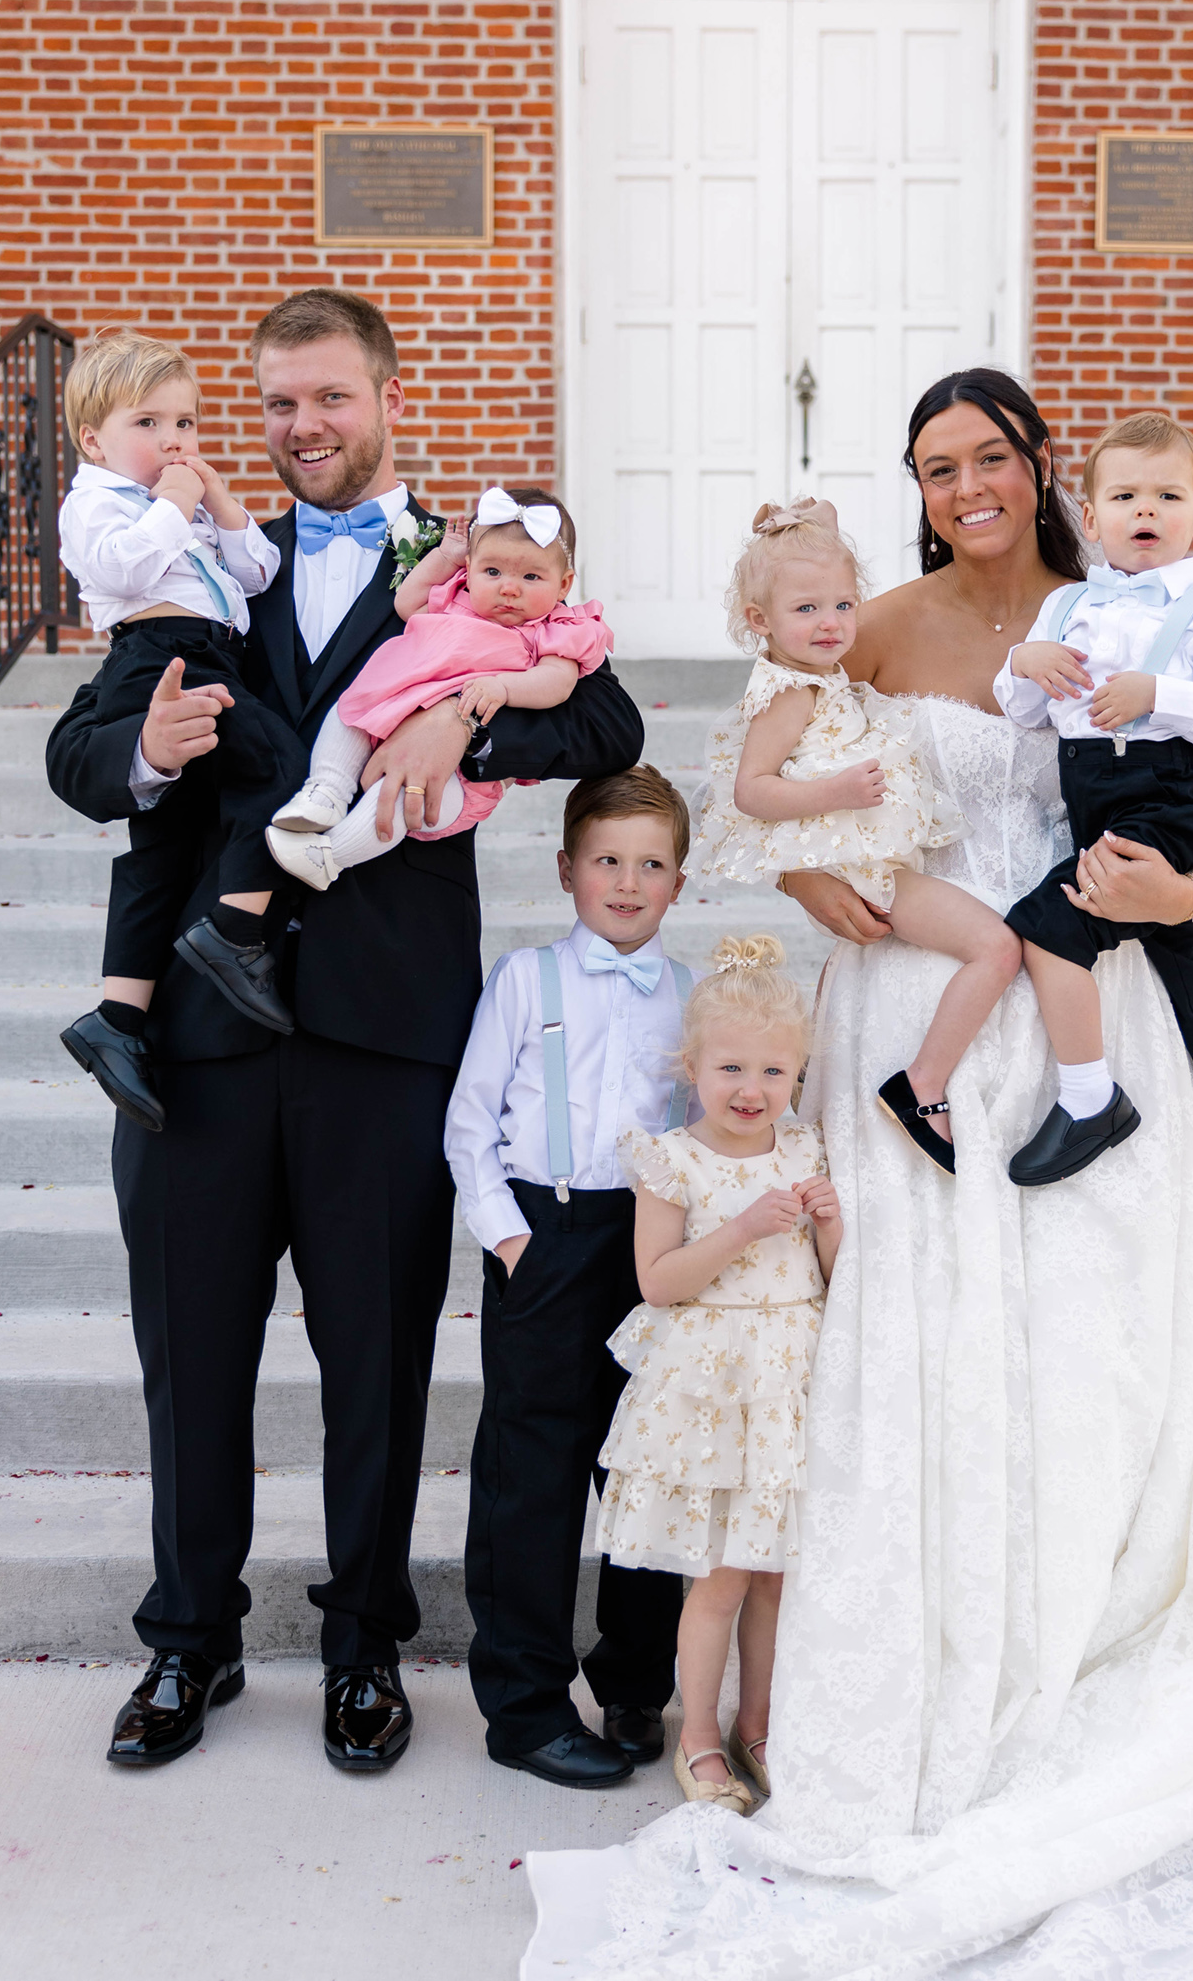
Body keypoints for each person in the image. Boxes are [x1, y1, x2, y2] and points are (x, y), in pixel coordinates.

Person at [522, 368, 1193, 1979]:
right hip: (913, 1008)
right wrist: (817, 874)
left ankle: (1099, 1656)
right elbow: (764, 766)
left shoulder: (1136, 601)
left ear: (1037, 461)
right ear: (919, 485)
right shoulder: (871, 622)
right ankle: (930, 1689)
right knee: (911, 1365)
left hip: (1099, 1015)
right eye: (935, 466)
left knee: (1108, 1351)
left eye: (990, 456)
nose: (966, 485)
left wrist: (1182, 886)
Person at [44, 288, 645, 1775]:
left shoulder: (478, 561)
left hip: (386, 1033)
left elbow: (609, 719)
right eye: (275, 403)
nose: (298, 426)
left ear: (385, 395)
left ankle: (364, 1642)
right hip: (195, 1029)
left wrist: (475, 723)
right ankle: (190, 1642)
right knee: (191, 1356)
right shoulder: (189, 546)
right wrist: (139, 751)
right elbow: (77, 750)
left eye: (327, 397)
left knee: (375, 1359)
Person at [444, 767, 692, 1790]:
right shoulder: (524, 981)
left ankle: (635, 1683)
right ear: (566, 870)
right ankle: (526, 1706)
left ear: (681, 880)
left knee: (644, 1468)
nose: (626, 882)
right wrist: (510, 1242)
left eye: (650, 864)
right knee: (532, 1473)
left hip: (650, 1245)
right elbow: (468, 1124)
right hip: (543, 1234)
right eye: (606, 861)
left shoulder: (691, 995)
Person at [994, 409, 1193, 1185]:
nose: (1146, 512)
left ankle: (1091, 1099)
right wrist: (1024, 663)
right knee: (1174, 940)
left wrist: (1159, 692)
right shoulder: (1066, 607)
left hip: (1163, 794)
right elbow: (1026, 713)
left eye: (1168, 497)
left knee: (1049, 924)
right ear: (1091, 517)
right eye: (1126, 497)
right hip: (1090, 792)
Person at [690, 497, 1018, 1176]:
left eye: (843, 606)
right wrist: (834, 793)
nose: (831, 624)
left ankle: (916, 1081)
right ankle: (923, 1085)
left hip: (878, 861)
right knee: (995, 947)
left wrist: (823, 528)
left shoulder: (816, 671)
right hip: (874, 877)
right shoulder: (788, 693)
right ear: (760, 622)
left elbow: (817, 577)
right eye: (807, 611)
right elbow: (750, 789)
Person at [597, 936, 842, 1814]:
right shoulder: (673, 1160)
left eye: (773, 1072)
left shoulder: (807, 1150)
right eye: (731, 1067)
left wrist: (828, 1221)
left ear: (800, 1074)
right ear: (691, 1065)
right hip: (712, 1389)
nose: (752, 1090)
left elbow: (833, 1271)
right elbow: (657, 1282)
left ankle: (760, 1721)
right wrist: (740, 1228)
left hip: (790, 1383)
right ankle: (697, 1731)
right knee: (722, 1573)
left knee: (778, 1572)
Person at [55, 330, 308, 1129]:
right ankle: (235, 929)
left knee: (159, 850)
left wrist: (221, 505)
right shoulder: (94, 502)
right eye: (149, 423)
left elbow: (258, 575)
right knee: (277, 766)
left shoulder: (185, 504)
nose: (173, 441)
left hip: (205, 650)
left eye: (187, 423)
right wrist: (173, 505)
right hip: (158, 655)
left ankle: (118, 1017)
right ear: (95, 440)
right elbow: (124, 570)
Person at [267, 486, 609, 889]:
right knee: (349, 715)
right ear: (470, 567)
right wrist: (443, 558)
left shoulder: (554, 629)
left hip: (455, 774)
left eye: (531, 576)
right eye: (492, 572)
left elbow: (557, 683)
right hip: (394, 706)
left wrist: (504, 688)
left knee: (399, 799)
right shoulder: (457, 596)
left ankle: (330, 856)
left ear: (565, 584)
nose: (509, 588)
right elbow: (406, 603)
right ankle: (325, 792)